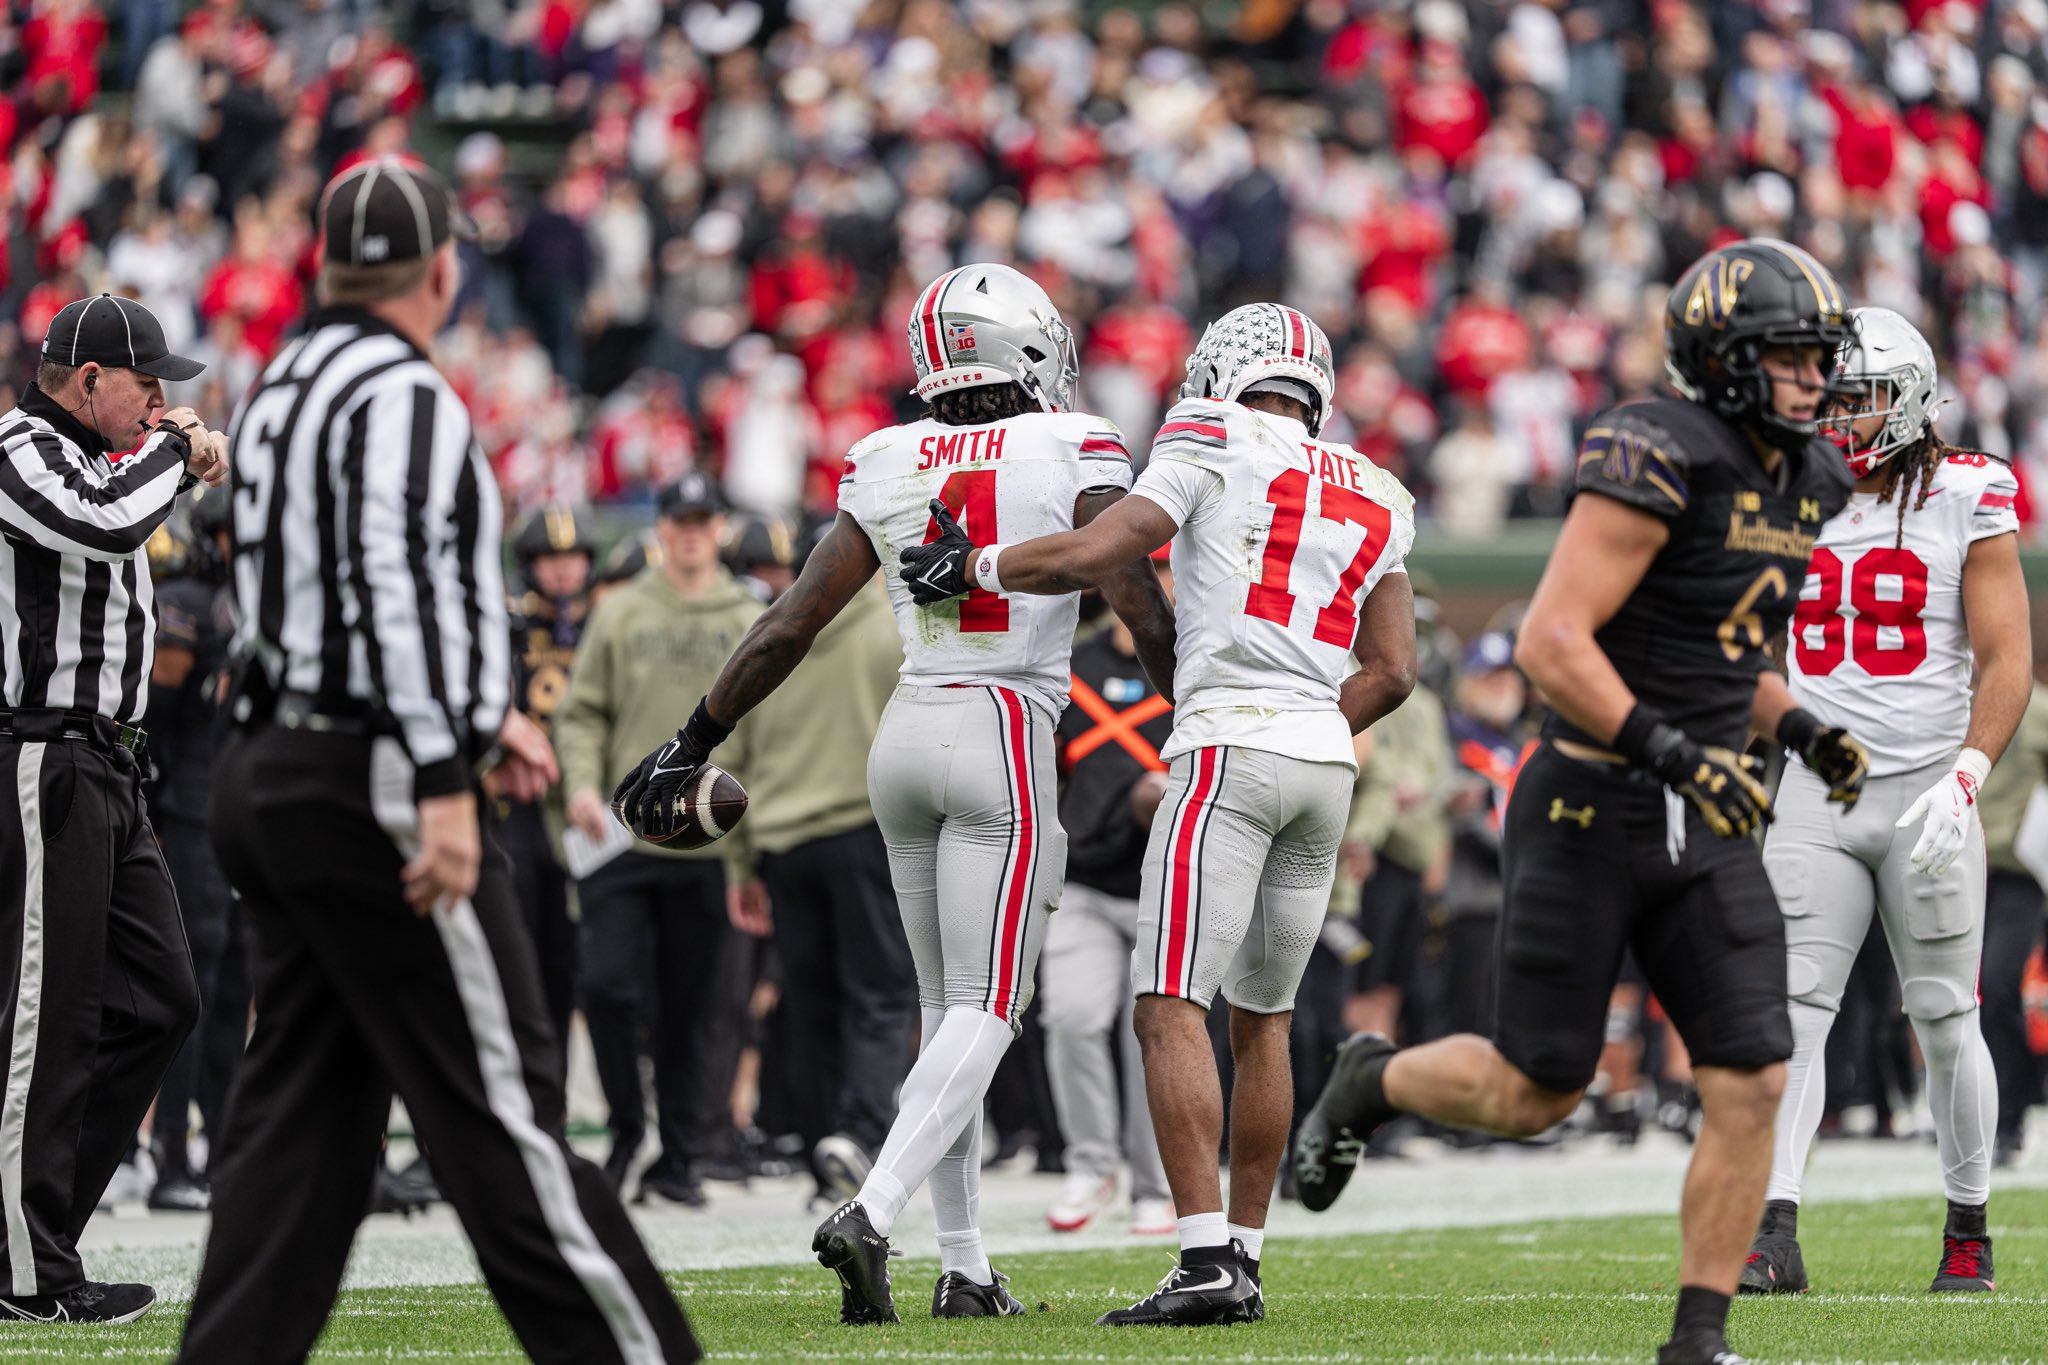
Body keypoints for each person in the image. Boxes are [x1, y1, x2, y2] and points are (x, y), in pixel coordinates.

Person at [1292, 238, 1870, 1365]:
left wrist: (1795, 726)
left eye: (1816, 358)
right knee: (1536, 1090)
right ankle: (1371, 1081)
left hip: (1701, 814)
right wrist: (1668, 749)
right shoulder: (1656, 449)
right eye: (1790, 358)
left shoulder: (1805, 476)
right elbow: (1556, 643)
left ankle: (1695, 1339)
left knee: (1750, 1073)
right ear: (1724, 361)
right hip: (1591, 806)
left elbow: (1715, 650)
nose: (1812, 380)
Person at [175, 158, 698, 1365]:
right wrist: (443, 776)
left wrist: (482, 718)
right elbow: (395, 588)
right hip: (371, 780)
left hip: (276, 764)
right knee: (506, 1116)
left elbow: (303, 594)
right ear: (444, 268)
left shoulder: (283, 380)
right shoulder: (401, 392)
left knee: (295, 1140)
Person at [609, 263, 1176, 1323]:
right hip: (1003, 727)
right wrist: (1193, 721)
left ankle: (963, 1269)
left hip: (903, 735)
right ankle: (869, 1209)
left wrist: (688, 741)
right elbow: (1136, 602)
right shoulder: (1075, 442)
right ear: (1020, 348)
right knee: (993, 1004)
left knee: (939, 1009)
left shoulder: (883, 454)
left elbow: (788, 624)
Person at [901, 301, 1419, 1326]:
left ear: (1218, 373)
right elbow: (1395, 671)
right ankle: (1248, 1255)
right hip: (1323, 762)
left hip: (1227, 745)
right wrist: (1310, 719)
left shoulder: (1206, 430)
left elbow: (1110, 550)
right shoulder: (1378, 483)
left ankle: (1198, 1259)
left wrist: (975, 566)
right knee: (1261, 1019)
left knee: (1166, 1004)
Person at [1743, 307, 2030, 1296]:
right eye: (1827, 395)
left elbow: (2005, 658)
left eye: (1856, 397)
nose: (1836, 415)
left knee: (1945, 1017)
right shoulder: (1780, 491)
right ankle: (1771, 1226)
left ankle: (1966, 1227)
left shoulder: (1965, 492)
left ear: (1905, 398)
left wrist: (1966, 774)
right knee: (1792, 1013)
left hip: (1921, 789)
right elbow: (1746, 645)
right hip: (1818, 788)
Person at [0, 291, 225, 1323]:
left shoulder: (109, 456)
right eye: (147, 386)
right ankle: (23, 1269)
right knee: (47, 1020)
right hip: (42, 755)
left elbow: (123, 493)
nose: (160, 403)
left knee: (162, 997)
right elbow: (103, 518)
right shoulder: (17, 444)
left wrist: (165, 453)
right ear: (89, 380)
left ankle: (31, 1230)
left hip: (111, 767)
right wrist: (178, 451)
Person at [553, 472, 764, 1205]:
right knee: (606, 986)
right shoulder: (623, 612)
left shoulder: (747, 614)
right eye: (680, 520)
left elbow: (766, 732)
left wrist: (750, 850)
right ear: (662, 527)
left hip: (707, 841)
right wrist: (579, 783)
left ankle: (678, 1156)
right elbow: (581, 714)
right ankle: (624, 1131)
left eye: (703, 520)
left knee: (692, 1003)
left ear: (719, 529)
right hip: (621, 832)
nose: (691, 532)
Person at [731, 544, 915, 1207]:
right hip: (862, 827)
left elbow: (738, 746)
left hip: (782, 840)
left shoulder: (778, 628)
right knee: (882, 992)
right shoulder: (893, 620)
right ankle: (860, 1137)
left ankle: (818, 1147)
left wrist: (741, 860)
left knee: (810, 1005)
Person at [1041, 551, 1176, 1238]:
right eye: (1144, 571)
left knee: (1157, 1038)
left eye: (1168, 571)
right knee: (1070, 1016)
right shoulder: (1073, 663)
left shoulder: (1198, 665)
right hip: (1086, 881)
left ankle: (1158, 1182)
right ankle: (1091, 1162)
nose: (1156, 584)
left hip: (1167, 882)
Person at [142, 485, 248, 1213]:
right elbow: (161, 715)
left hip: (246, 813)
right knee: (196, 981)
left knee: (238, 980)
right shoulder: (186, 599)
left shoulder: (269, 598)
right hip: (193, 808)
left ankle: (229, 1146)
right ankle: (170, 1148)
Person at [505, 503, 596, 1049]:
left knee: (567, 956)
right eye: (549, 557)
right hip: (518, 799)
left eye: (572, 557)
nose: (563, 569)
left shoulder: (602, 622)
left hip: (578, 802)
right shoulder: (509, 621)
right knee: (520, 943)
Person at [1976, 682, 2048, 1167]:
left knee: (2001, 985)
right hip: (1960, 871)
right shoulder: (1952, 700)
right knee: (1958, 997)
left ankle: (2009, 1118)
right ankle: (1974, 1119)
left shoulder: (2037, 709)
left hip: (2019, 874)